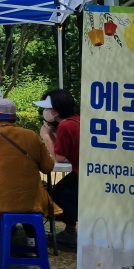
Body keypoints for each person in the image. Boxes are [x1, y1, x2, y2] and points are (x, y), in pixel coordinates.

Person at [0, 98, 54, 260]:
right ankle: (32, 242)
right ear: (13, 118)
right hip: (33, 200)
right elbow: (48, 167)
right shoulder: (32, 136)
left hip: (0, 200)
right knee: (26, 203)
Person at [35, 89, 80, 247]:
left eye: (47, 109)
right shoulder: (74, 121)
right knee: (60, 188)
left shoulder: (66, 126)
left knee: (60, 193)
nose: (45, 112)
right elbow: (63, 150)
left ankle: (80, 230)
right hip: (82, 172)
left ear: (55, 110)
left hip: (82, 175)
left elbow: (59, 157)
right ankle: (69, 232)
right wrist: (52, 135)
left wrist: (46, 136)